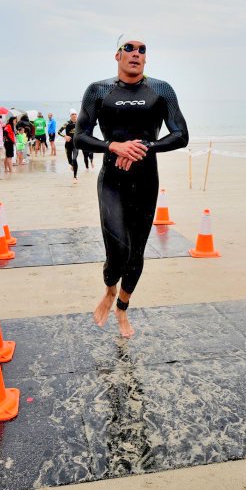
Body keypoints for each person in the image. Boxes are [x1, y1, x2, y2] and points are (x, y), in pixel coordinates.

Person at [75, 37, 189, 337]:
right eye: (129, 48)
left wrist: (145, 147)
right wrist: (113, 146)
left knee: (136, 253)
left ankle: (122, 307)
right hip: (112, 181)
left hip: (146, 180)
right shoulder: (98, 90)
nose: (136, 53)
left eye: (142, 50)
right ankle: (110, 290)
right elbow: (80, 137)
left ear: (145, 59)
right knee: (117, 252)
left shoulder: (161, 90)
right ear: (117, 55)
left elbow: (181, 135)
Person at [60, 109, 79, 182]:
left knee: (74, 159)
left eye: (75, 114)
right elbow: (59, 132)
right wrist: (65, 136)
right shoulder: (66, 123)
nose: (74, 115)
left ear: (76, 115)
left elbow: (84, 132)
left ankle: (75, 177)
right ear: (70, 115)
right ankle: (72, 165)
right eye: (72, 114)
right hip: (68, 145)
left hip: (76, 145)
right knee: (70, 161)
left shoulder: (79, 123)